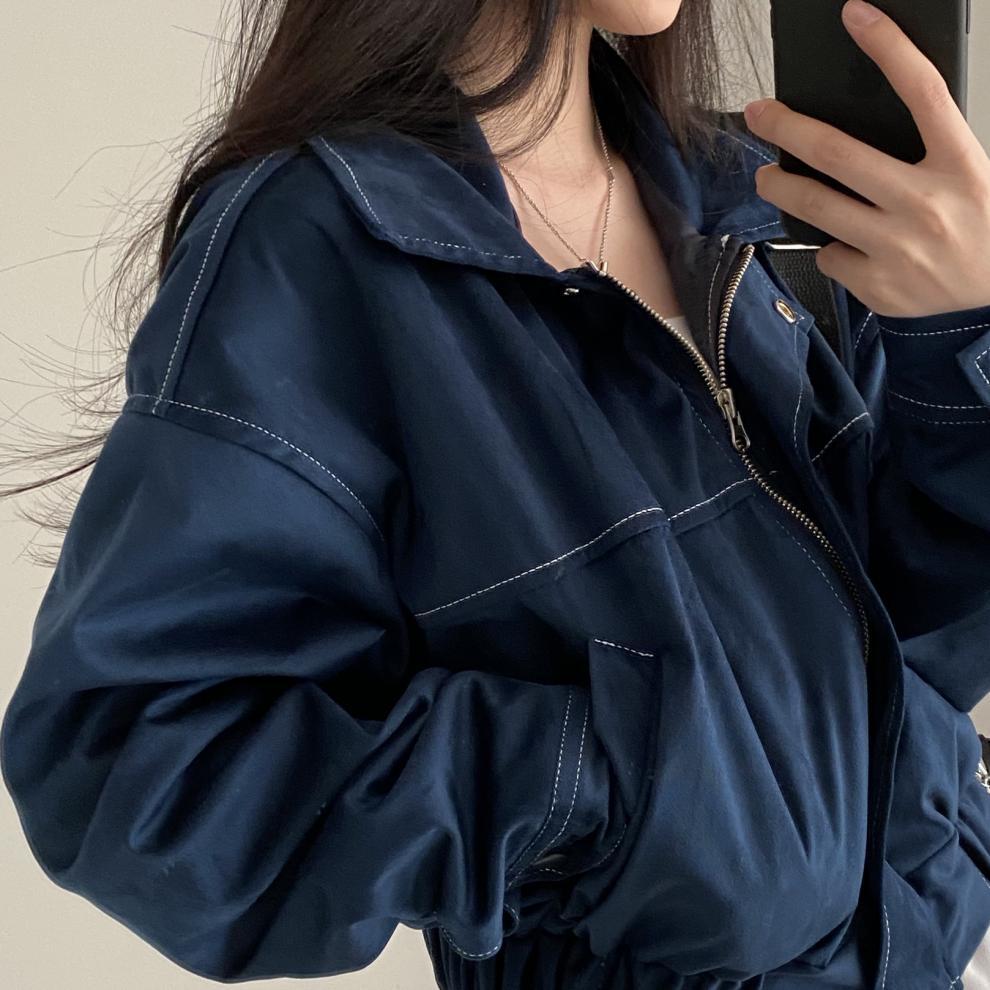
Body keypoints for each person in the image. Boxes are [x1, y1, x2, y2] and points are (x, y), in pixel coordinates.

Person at [3, 0, 990, 987]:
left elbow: (914, 633)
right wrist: (608, 792)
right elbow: (133, 770)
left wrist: (965, 344)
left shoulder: (754, 193)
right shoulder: (326, 243)